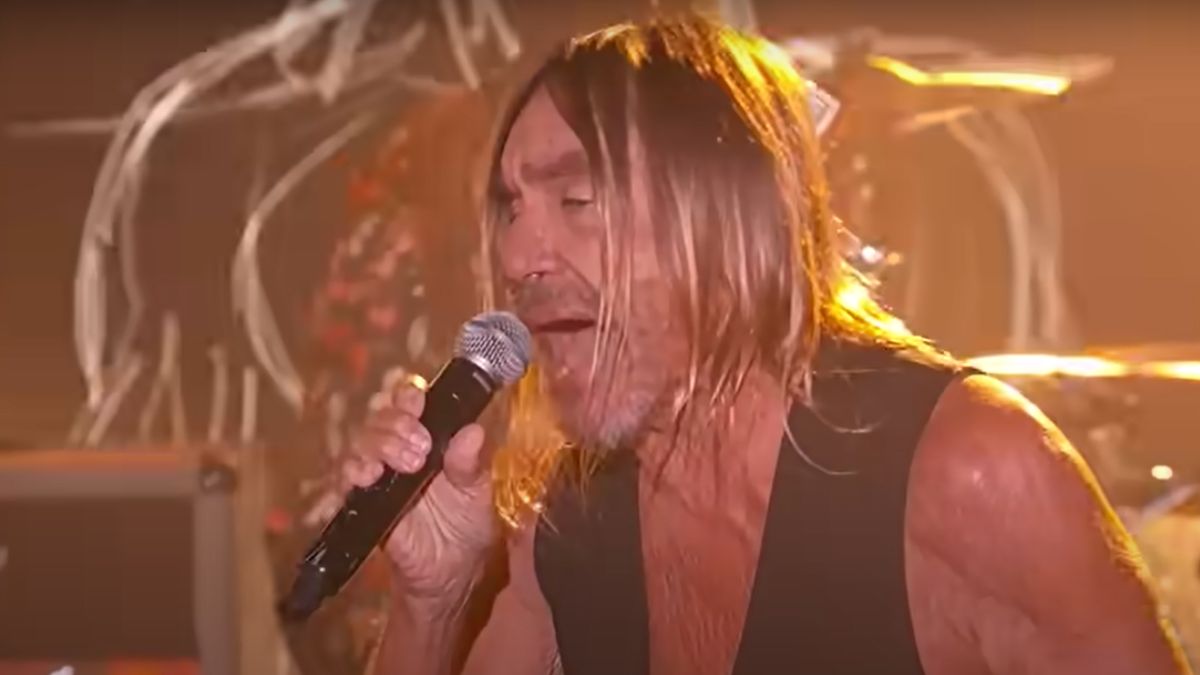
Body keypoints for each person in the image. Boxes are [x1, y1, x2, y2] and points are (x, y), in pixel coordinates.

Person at [340, 16, 1192, 675]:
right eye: (511, 209)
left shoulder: (969, 469)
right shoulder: (569, 515)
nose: (520, 255)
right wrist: (432, 599)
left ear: (728, 219)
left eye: (578, 200)